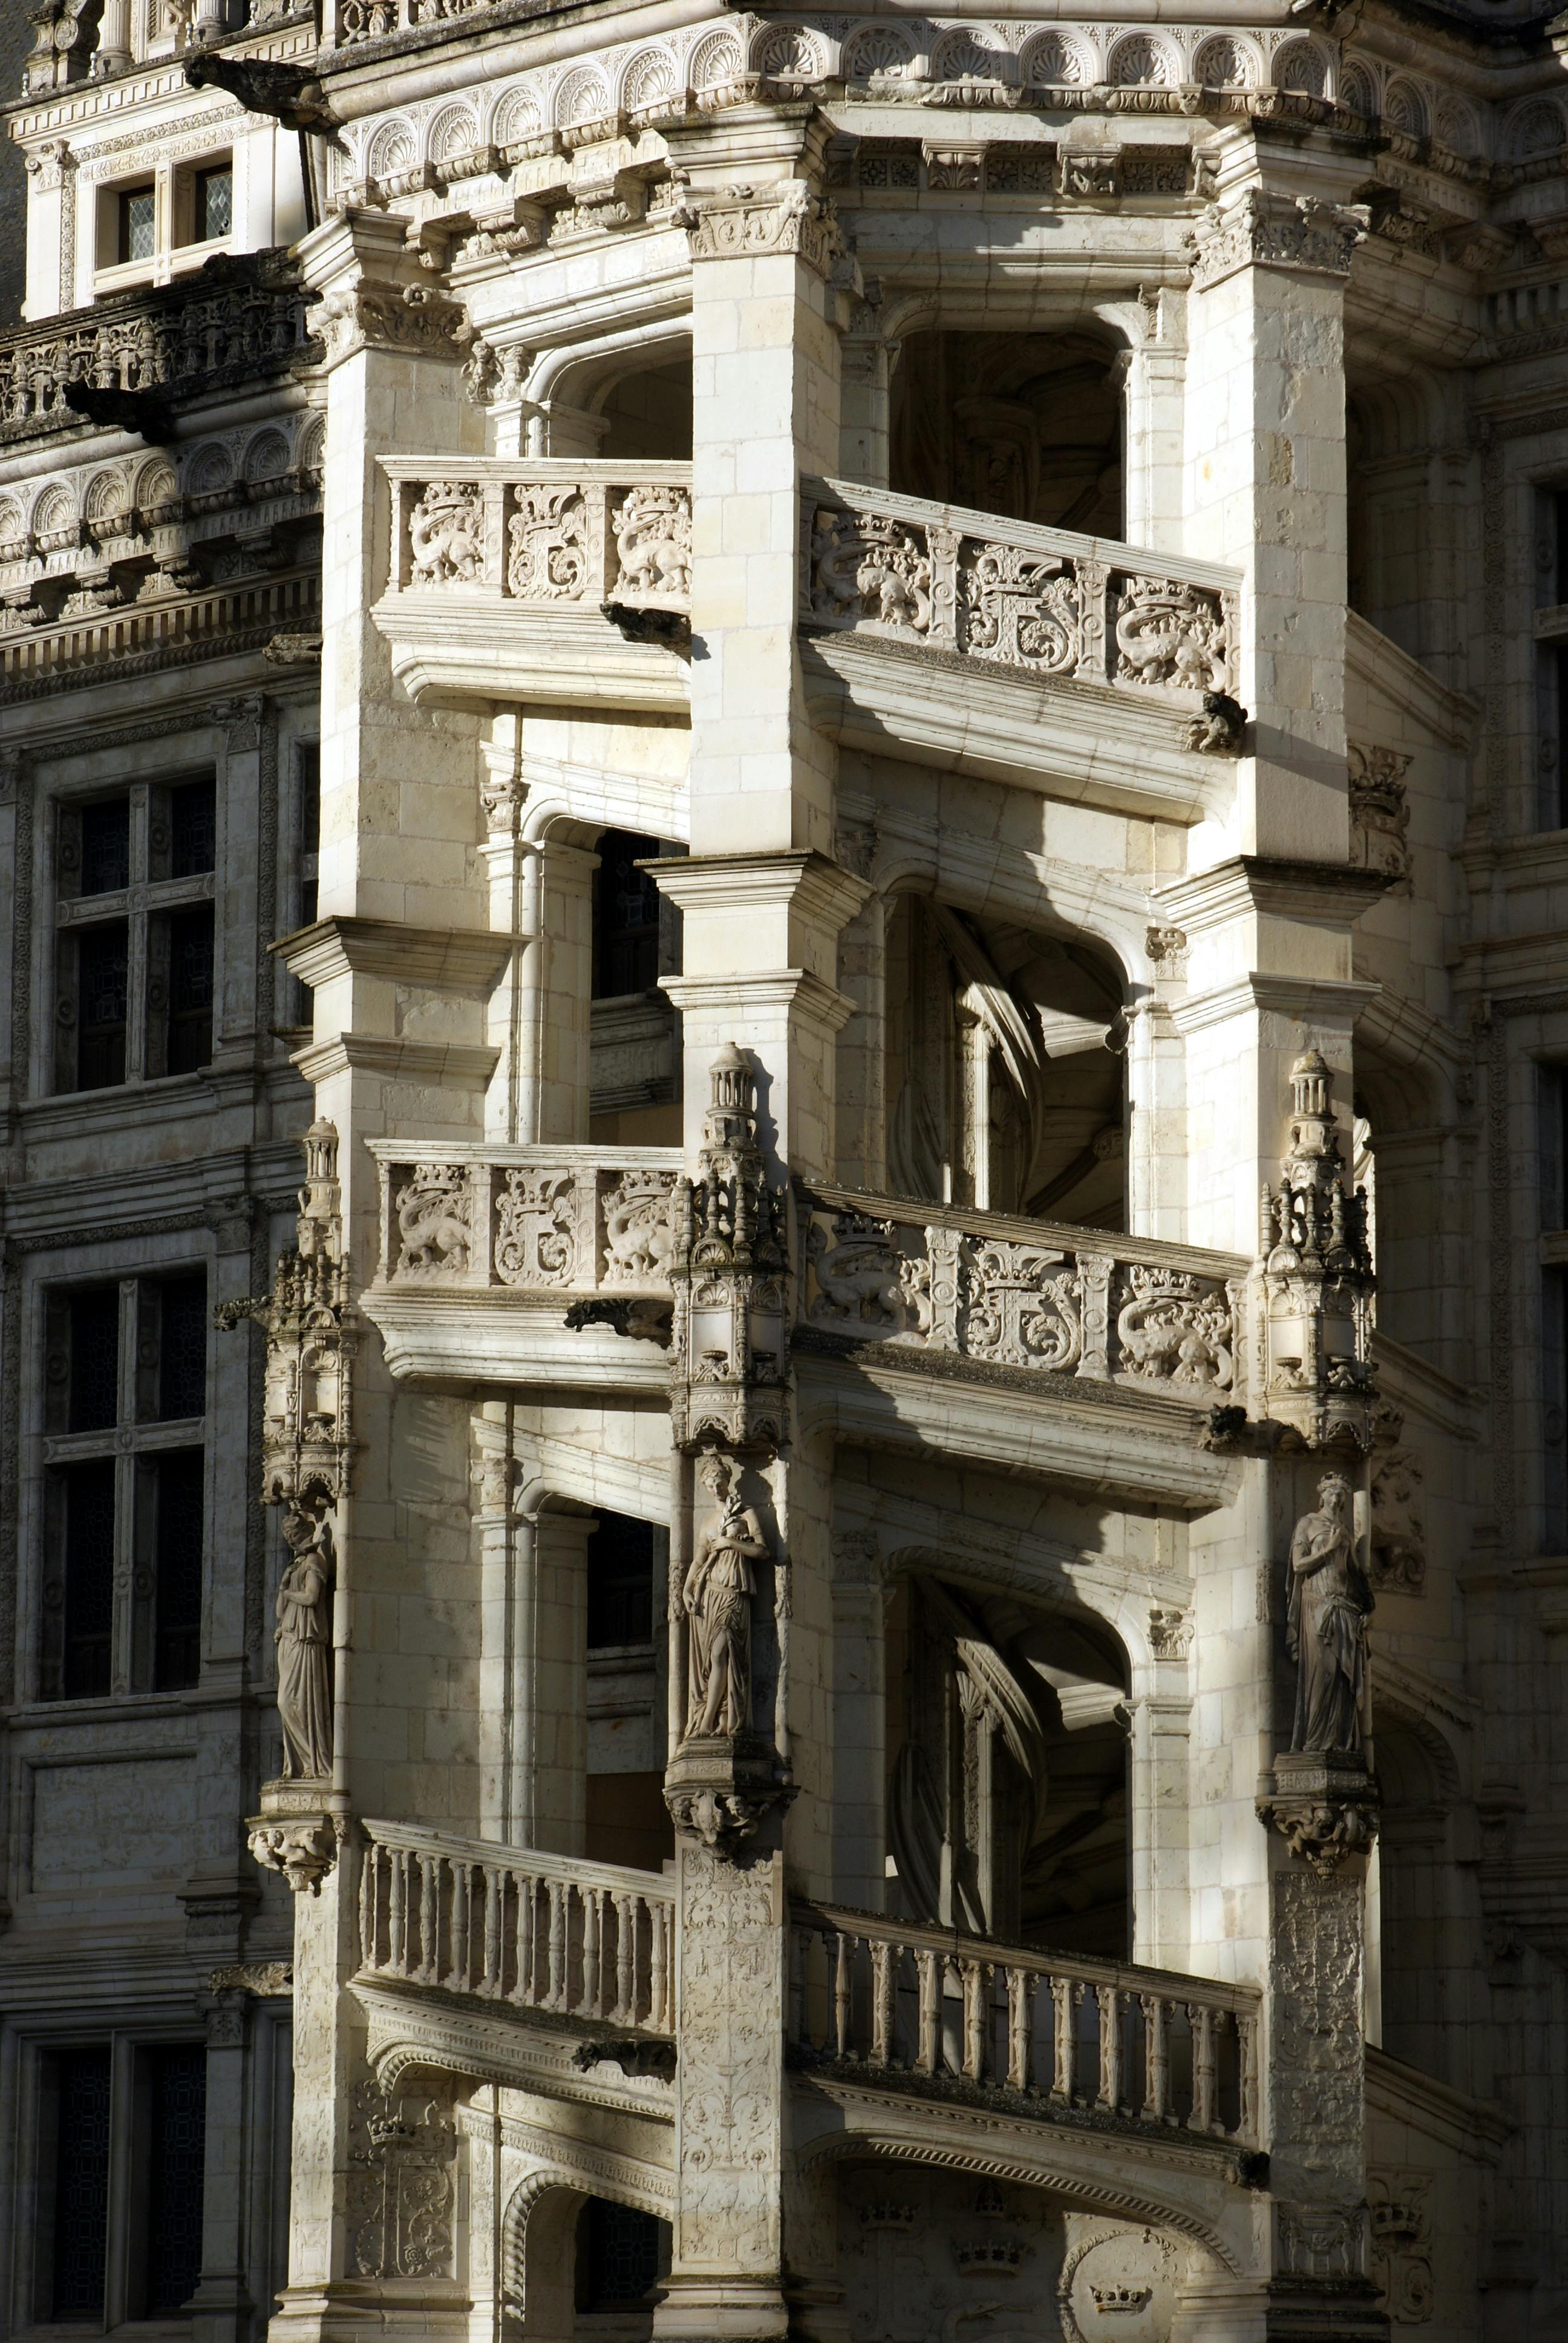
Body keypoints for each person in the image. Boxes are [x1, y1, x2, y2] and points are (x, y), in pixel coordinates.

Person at [1286, 1471, 1372, 1756]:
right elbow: (1299, 1565)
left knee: (1343, 1683)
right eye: (1332, 1492)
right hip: (1318, 1605)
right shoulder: (1308, 1524)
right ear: (1321, 1495)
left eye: (1341, 1495)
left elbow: (1355, 1572)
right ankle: (1314, 1743)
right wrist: (1329, 1550)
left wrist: (1368, 1608)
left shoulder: (1345, 1531)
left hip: (1346, 1607)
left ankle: (1339, 1743)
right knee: (1323, 1674)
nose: (1336, 1498)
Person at [683, 1457, 768, 1740]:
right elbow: (698, 1563)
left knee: (723, 1653)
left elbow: (762, 1551)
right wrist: (685, 1590)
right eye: (710, 1484)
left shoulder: (746, 1513)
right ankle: (721, 1719)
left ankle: (706, 1722)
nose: (716, 1488)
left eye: (719, 1482)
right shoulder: (707, 1522)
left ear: (727, 1480)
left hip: (734, 1594)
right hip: (709, 1596)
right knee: (714, 1662)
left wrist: (731, 1542)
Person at [276, 1504, 335, 1778]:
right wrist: (283, 1588)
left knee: (290, 1702)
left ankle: (312, 1761)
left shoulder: (314, 1562)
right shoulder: (295, 1565)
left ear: (303, 1532)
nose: (290, 1539)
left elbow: (312, 1598)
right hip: (289, 1637)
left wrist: (289, 1594)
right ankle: (301, 1764)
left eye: (293, 1534)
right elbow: (279, 1611)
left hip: (305, 1637)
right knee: (286, 1702)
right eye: (287, 1536)